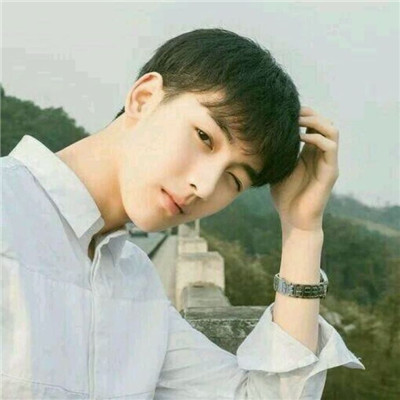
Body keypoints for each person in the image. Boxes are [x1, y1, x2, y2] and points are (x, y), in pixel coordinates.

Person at [1, 28, 364, 399]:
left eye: (233, 180)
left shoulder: (137, 289)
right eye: (204, 137)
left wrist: (302, 231)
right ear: (144, 98)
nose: (204, 186)